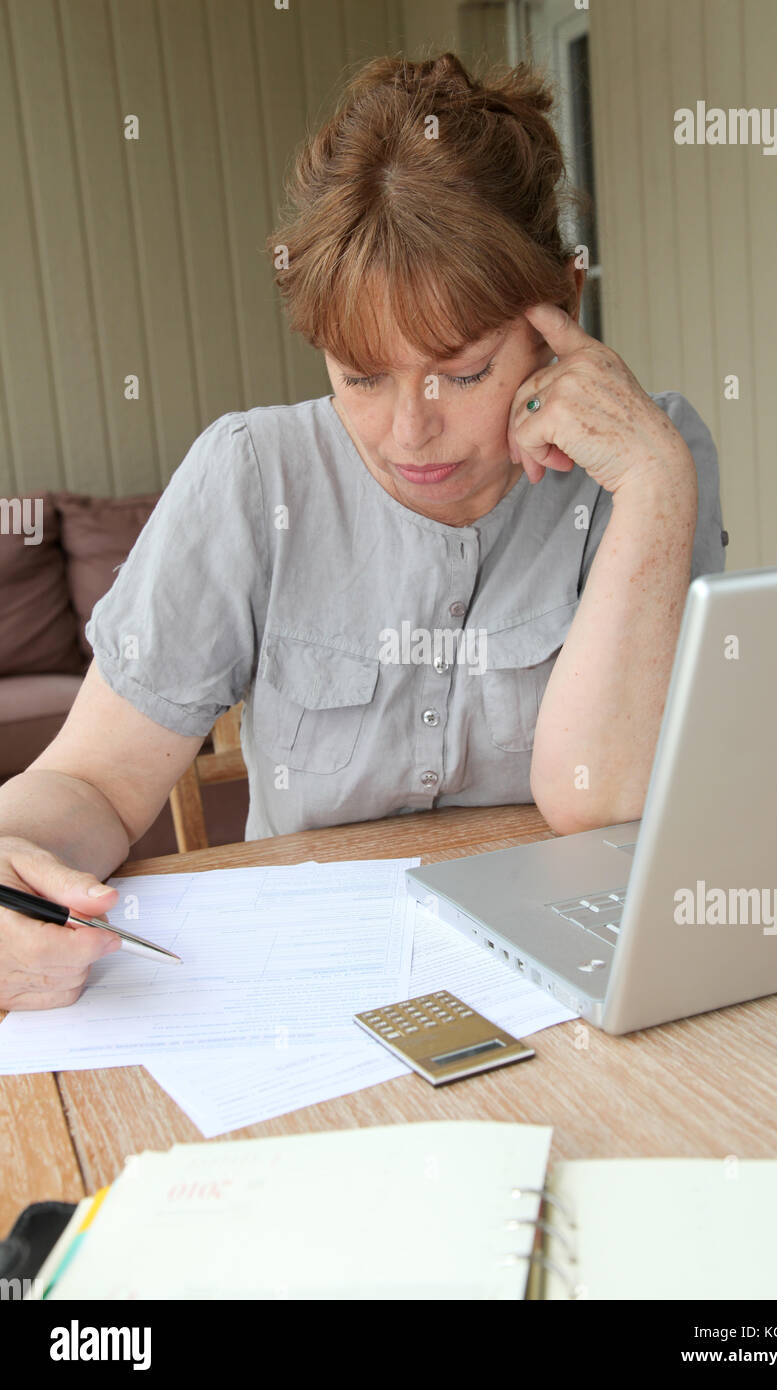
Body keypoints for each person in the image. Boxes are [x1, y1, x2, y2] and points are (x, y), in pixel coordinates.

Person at [0, 53, 725, 1011]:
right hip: (305, 997)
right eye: (361, 374)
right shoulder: (252, 475)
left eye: (463, 373)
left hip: (570, 991)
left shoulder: (650, 459)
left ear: (562, 315)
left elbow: (603, 806)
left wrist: (654, 484)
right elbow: (92, 782)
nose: (407, 432)